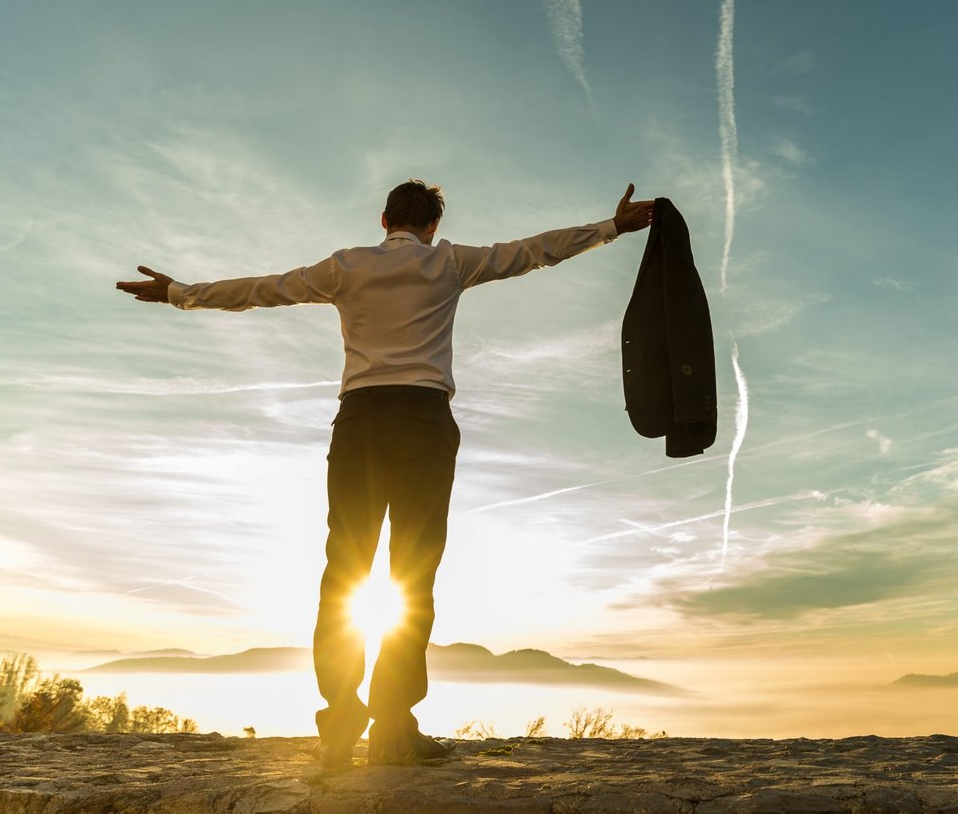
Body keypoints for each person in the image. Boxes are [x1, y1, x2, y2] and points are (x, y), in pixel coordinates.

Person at [116, 180, 655, 766]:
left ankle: (342, 716)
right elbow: (534, 250)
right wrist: (611, 227)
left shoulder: (346, 267)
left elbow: (262, 290)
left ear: (383, 220)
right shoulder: (449, 262)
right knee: (413, 573)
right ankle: (395, 728)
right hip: (423, 421)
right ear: (432, 226)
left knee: (345, 567)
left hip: (361, 424)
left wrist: (180, 293)